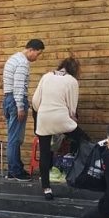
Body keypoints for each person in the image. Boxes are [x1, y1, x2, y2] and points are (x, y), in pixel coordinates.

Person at [32, 57, 89, 199]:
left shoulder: (46, 76)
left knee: (45, 153)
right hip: (61, 119)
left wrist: (42, 114)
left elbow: (35, 101)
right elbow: (72, 108)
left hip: (44, 118)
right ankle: (84, 174)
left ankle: (46, 189)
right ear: (74, 70)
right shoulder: (72, 81)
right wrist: (72, 120)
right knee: (85, 140)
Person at [2, 38, 45, 181]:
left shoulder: (13, 58)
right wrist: (20, 107)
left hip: (8, 100)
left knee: (12, 137)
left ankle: (13, 169)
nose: (37, 58)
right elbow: (19, 86)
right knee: (15, 139)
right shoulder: (22, 63)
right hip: (16, 101)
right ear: (31, 50)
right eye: (37, 54)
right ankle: (15, 171)